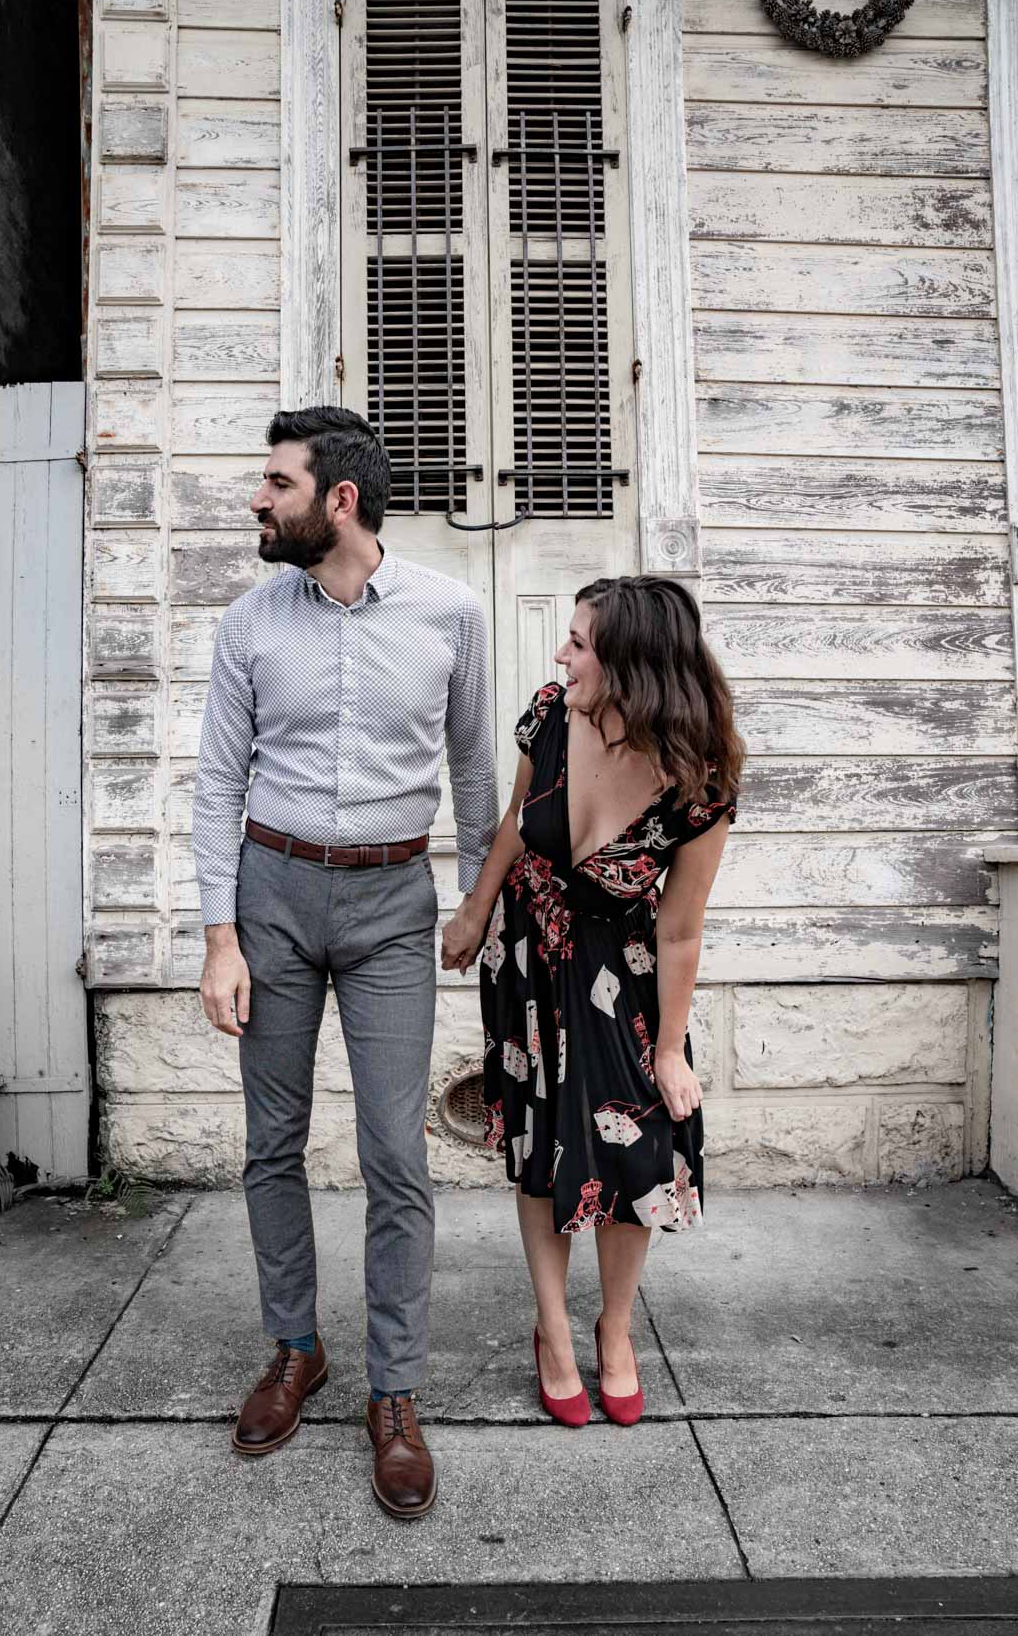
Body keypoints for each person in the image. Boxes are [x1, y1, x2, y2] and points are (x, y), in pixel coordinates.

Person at [193, 406, 498, 1517]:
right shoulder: (248, 621)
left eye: (274, 483)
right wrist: (220, 937)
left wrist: (475, 902)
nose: (256, 500)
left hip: (388, 903)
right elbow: (216, 785)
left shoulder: (450, 614)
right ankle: (294, 1348)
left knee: (393, 1155)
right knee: (270, 1142)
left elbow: (474, 768)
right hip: (271, 892)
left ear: (339, 501)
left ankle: (396, 1392)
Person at [440, 576, 742, 1427]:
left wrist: (671, 1049)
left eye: (578, 642)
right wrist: (471, 911)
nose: (560, 654)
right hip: (525, 955)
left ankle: (614, 1328)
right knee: (540, 1138)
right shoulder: (549, 713)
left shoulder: (699, 783)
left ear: (634, 664)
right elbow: (514, 819)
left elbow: (680, 931)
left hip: (623, 974)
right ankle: (552, 1332)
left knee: (632, 1151)